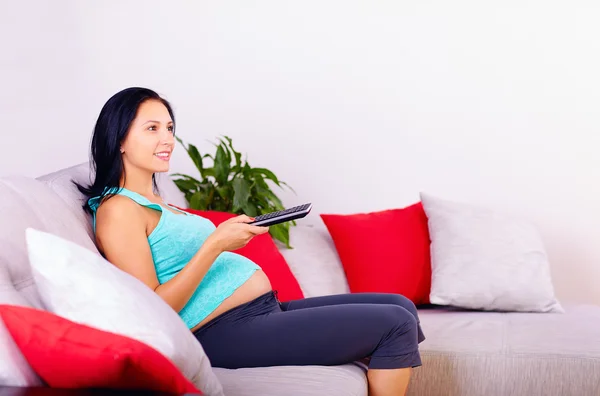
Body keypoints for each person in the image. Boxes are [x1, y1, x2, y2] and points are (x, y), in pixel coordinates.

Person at [74, 87, 425, 396]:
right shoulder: (118, 210)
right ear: (119, 139)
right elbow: (152, 307)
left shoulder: (155, 199)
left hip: (259, 312)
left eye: (168, 128)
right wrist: (215, 244)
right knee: (395, 324)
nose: (167, 140)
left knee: (400, 305)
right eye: (151, 129)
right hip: (221, 332)